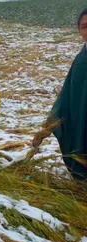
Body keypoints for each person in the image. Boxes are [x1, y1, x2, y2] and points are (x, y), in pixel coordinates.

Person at [32, 8, 87, 180]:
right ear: (79, 30)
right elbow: (66, 97)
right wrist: (49, 126)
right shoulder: (81, 61)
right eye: (85, 26)